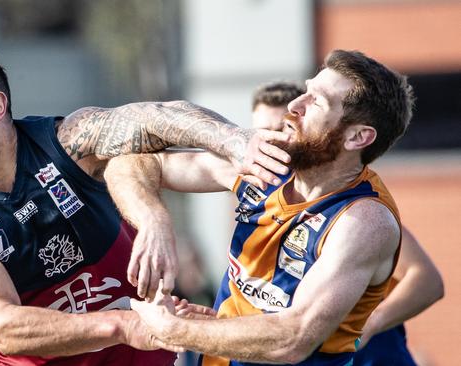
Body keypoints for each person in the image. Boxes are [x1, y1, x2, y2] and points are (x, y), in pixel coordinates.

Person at [0, 42, 291, 365]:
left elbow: (154, 118)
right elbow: (3, 326)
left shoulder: (69, 142)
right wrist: (124, 325)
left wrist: (233, 141)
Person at [105, 49, 415, 365]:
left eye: (316, 102)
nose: (294, 106)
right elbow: (128, 162)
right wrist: (153, 221)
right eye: (306, 91)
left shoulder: (363, 220)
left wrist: (172, 328)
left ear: (358, 137)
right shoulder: (270, 162)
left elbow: (292, 339)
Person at [252, 81, 445, 365]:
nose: (274, 138)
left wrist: (371, 324)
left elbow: (428, 281)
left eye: (282, 128)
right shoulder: (260, 199)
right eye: (262, 130)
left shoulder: (355, 213)